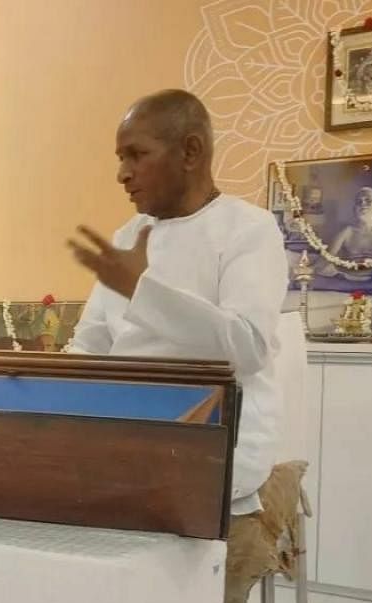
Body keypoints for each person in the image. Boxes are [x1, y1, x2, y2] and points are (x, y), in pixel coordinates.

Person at [64, 89, 287, 518]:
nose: (121, 174)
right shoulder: (128, 236)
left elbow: (247, 347)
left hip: (216, 439)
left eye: (136, 155)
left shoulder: (249, 230)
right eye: (119, 158)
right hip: (127, 430)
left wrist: (141, 291)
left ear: (191, 151)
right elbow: (89, 348)